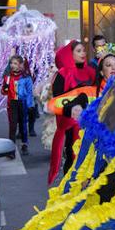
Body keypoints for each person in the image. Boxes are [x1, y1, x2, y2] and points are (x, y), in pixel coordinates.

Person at [48, 40, 96, 184]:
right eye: (79, 51)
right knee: (72, 153)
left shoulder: (91, 71)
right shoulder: (63, 74)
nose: (83, 53)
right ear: (70, 54)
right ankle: (70, 183)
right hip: (71, 122)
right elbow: (58, 100)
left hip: (90, 120)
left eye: (84, 50)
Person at [2, 54, 36, 155]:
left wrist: (30, 105)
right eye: (11, 63)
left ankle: (24, 144)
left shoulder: (26, 78)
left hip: (23, 103)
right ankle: (11, 148)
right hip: (12, 103)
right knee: (12, 125)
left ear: (21, 65)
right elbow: (3, 92)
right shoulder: (8, 77)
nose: (13, 65)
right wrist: (5, 87)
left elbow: (30, 92)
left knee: (23, 124)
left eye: (15, 63)